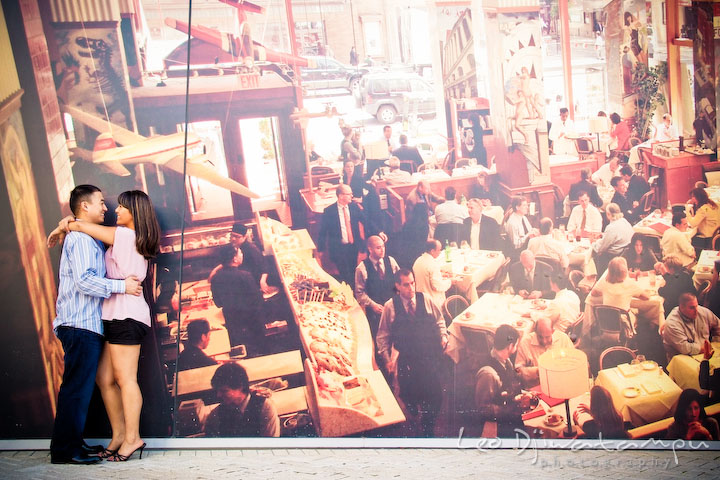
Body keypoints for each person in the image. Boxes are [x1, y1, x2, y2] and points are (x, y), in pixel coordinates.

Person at [51, 190, 160, 462]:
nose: (115, 211)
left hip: (126, 317)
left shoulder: (126, 236)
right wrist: (68, 223)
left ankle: (132, 438)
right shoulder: (122, 239)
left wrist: (68, 223)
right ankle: (119, 435)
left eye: (122, 208)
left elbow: (80, 224)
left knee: (125, 380)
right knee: (105, 379)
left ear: (135, 213)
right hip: (112, 316)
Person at [377, 269, 448, 436]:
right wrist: (387, 359)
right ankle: (415, 413)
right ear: (398, 286)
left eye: (412, 283)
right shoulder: (390, 306)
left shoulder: (426, 299)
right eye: (406, 285)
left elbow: (440, 321)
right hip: (406, 361)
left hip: (429, 357)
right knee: (409, 396)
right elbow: (382, 336)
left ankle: (428, 426)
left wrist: (443, 336)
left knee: (435, 395)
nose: (411, 288)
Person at [210, 245, 265, 353]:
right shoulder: (245, 276)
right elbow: (257, 300)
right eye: (240, 253)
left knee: (239, 350)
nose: (242, 255)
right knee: (257, 349)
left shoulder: (216, 278)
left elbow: (218, 302)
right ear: (235, 259)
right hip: (251, 320)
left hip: (232, 321)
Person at [474, 324, 524, 437]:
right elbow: (484, 409)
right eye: (516, 345)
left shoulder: (505, 360)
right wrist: (511, 410)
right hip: (497, 426)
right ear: (511, 346)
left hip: (508, 412)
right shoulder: (488, 374)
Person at [204, 363, 280, 437]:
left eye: (224, 391)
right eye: (217, 391)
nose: (218, 395)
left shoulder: (265, 407)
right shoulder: (215, 415)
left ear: (240, 387)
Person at [318, 184, 371, 287]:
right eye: (349, 194)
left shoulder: (354, 207)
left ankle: (352, 293)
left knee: (352, 270)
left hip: (353, 246)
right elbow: (323, 231)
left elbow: (366, 221)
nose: (352, 196)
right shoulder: (329, 211)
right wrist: (321, 249)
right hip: (338, 248)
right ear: (341, 196)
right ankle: (349, 292)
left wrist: (378, 232)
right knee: (345, 274)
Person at [355, 235, 399, 337]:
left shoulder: (391, 261)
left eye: (383, 246)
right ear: (370, 249)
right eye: (378, 248)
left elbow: (399, 282)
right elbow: (359, 293)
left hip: (394, 310)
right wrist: (372, 305)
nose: (382, 250)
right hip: (375, 314)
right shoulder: (361, 268)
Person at [515, 316, 574, 385]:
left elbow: (574, 361)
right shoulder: (525, 342)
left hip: (561, 383)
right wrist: (537, 371)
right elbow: (517, 372)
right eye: (540, 337)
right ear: (535, 331)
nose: (544, 341)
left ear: (553, 331)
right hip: (536, 387)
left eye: (547, 337)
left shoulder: (563, 338)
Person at [662, 293, 720, 360]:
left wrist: (715, 342)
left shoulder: (704, 312)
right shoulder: (672, 323)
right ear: (681, 307)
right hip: (682, 358)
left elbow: (718, 327)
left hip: (706, 353)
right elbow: (684, 348)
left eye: (696, 306)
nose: (696, 311)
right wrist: (706, 349)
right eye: (692, 307)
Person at [592, 203, 634, 275]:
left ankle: (597, 277)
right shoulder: (624, 221)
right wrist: (603, 235)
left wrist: (593, 243)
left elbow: (601, 248)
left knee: (594, 253)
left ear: (608, 214)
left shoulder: (611, 227)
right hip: (625, 252)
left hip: (613, 256)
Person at [412, 240, 454, 310]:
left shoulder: (418, 261)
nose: (440, 252)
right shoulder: (432, 264)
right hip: (433, 303)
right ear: (432, 251)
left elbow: (425, 276)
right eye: (439, 250)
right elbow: (437, 286)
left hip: (420, 300)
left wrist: (440, 274)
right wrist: (450, 281)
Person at [687, 187, 720, 253]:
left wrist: (687, 211)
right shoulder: (715, 204)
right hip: (715, 234)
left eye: (693, 197)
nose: (692, 199)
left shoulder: (703, 209)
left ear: (698, 197)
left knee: (688, 240)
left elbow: (693, 224)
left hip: (707, 238)